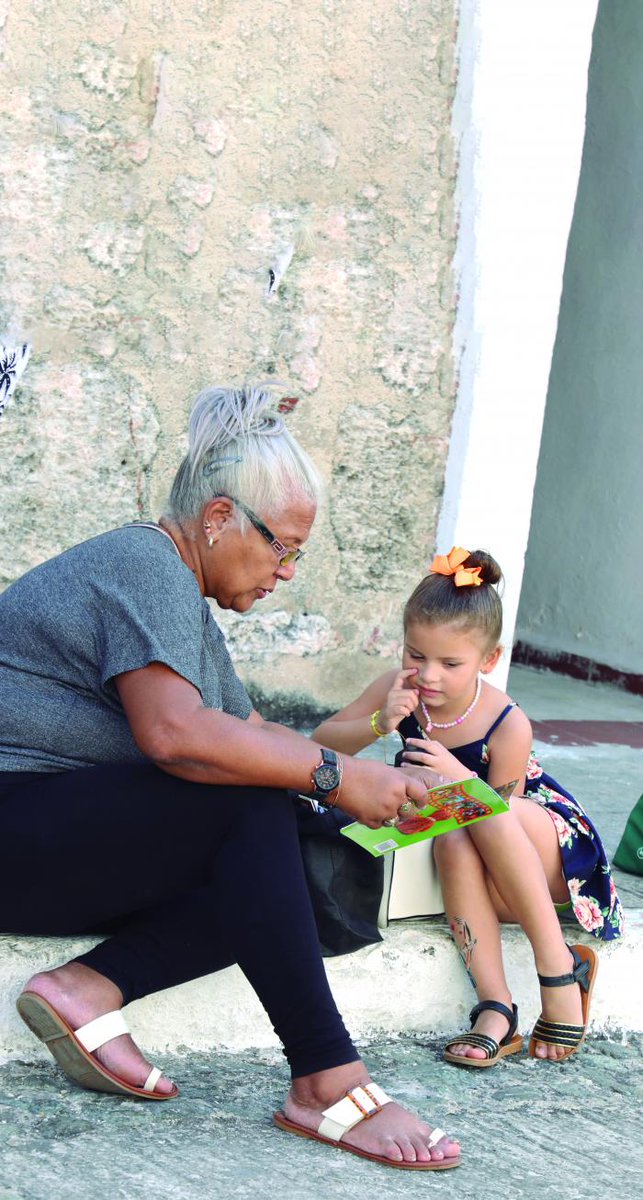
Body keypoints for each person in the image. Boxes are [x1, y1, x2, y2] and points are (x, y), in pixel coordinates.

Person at [0, 386, 461, 1171]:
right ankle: (326, 1079)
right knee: (253, 807)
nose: (285, 571)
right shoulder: (141, 563)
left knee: (301, 838)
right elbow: (179, 739)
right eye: (280, 546)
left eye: (296, 554)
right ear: (217, 520)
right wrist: (329, 774)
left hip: (49, 839)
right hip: (15, 822)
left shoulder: (183, 600)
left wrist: (366, 779)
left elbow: (247, 737)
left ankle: (88, 987)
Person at [314, 546, 623, 1068]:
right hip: (467, 862)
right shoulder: (397, 691)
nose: (428, 675)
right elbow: (319, 745)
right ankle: (496, 1008)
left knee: (481, 813)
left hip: (544, 865)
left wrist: (458, 779)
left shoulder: (507, 723)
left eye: (450, 663)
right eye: (416, 655)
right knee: (456, 833)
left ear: (489, 660)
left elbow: (508, 831)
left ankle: (560, 967)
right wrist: (378, 726)